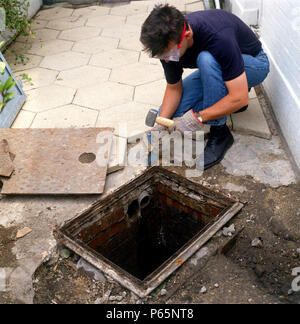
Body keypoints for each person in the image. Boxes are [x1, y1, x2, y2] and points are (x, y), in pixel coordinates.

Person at [140, 4, 270, 170]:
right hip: (220, 66)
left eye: (169, 55)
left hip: (254, 64)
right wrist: (161, 125)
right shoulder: (167, 45)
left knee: (206, 59)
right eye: (160, 56)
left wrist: (200, 117)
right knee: (176, 114)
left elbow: (240, 96)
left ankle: (220, 132)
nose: (166, 60)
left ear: (187, 35)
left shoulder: (218, 36)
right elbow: (174, 89)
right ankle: (228, 97)